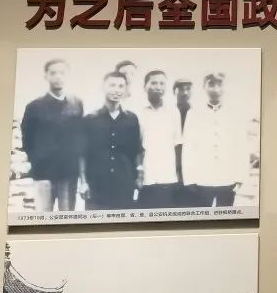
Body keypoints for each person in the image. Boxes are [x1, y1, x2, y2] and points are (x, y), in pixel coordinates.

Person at [19, 58, 85, 212]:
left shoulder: (77, 103)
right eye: (53, 73)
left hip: (69, 172)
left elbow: (80, 137)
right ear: (46, 76)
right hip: (43, 172)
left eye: (62, 73)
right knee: (43, 215)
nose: (58, 77)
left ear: (68, 76)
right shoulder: (34, 106)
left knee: (67, 216)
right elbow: (27, 138)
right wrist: (37, 160)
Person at [181, 72, 249, 208]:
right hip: (202, 179)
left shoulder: (235, 113)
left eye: (220, 84)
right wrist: (190, 179)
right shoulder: (194, 113)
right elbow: (188, 148)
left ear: (225, 87)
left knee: (225, 216)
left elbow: (241, 146)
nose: (216, 89)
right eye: (211, 84)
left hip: (227, 178)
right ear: (204, 87)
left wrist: (240, 177)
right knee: (202, 217)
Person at [79, 71, 142, 209]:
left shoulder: (132, 119)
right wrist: (83, 182)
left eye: (121, 86)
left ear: (125, 89)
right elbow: (82, 153)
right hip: (96, 184)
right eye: (112, 85)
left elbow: (136, 150)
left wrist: (138, 177)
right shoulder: (90, 119)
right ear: (103, 87)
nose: (116, 90)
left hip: (124, 183)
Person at [136, 71, 184, 209]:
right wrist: (138, 173)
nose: (158, 87)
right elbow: (136, 146)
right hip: (146, 177)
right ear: (145, 86)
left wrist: (179, 175)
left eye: (162, 83)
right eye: (154, 83)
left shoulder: (173, 112)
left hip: (168, 176)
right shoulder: (138, 112)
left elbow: (178, 144)